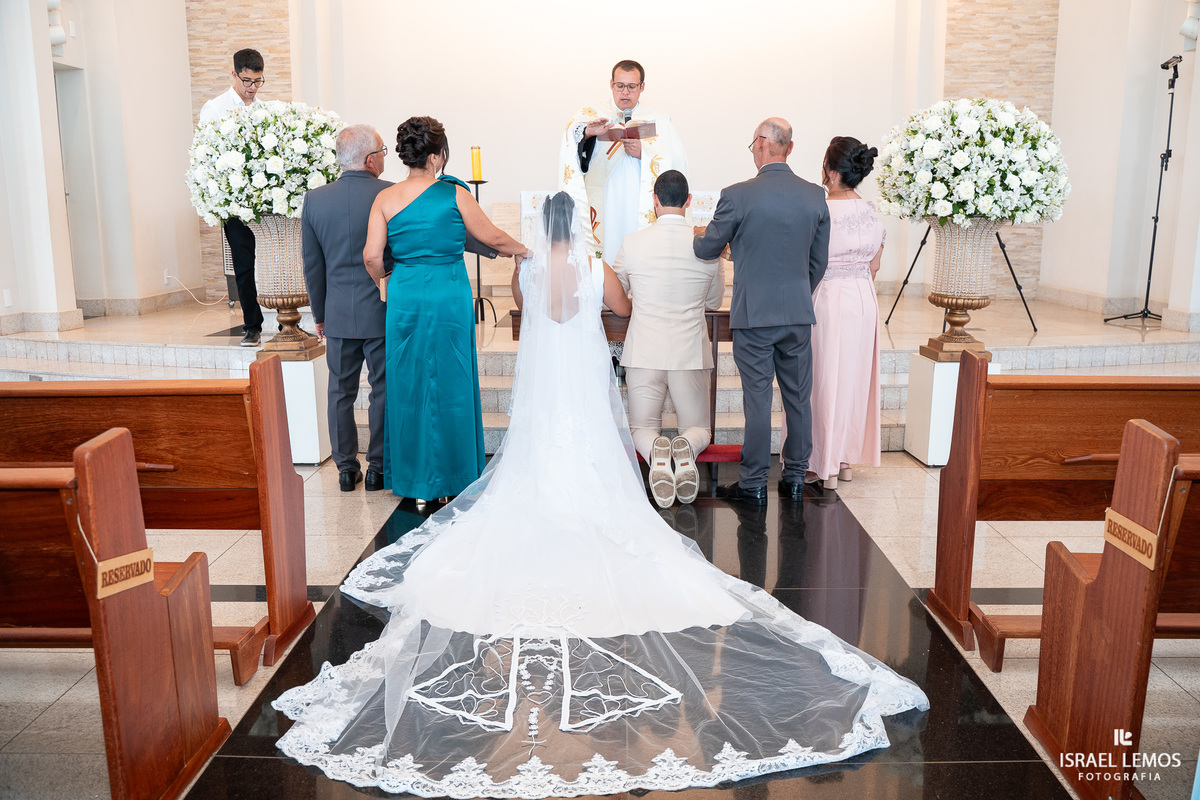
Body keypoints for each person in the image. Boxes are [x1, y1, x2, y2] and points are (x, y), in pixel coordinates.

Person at [272, 190, 928, 798]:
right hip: (582, 398)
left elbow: (527, 316)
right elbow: (620, 309)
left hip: (543, 400)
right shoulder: (591, 267)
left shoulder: (524, 271)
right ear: (579, 226)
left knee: (530, 466)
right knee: (596, 467)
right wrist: (599, 273)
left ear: (539, 226)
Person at [363, 116, 526, 503]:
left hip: (405, 294)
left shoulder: (385, 198)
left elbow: (371, 256)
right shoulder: (454, 195)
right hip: (448, 293)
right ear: (436, 156)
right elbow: (492, 237)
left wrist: (383, 284)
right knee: (452, 379)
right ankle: (452, 481)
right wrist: (525, 250)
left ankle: (415, 485)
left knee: (407, 383)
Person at [694, 118, 829, 505]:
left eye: (752, 144)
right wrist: (797, 293)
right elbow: (817, 263)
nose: (752, 149)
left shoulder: (737, 195)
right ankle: (796, 476)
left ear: (762, 145)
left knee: (758, 398)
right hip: (797, 314)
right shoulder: (813, 196)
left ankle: (753, 481)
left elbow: (707, 249)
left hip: (754, 315)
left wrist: (700, 235)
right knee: (797, 397)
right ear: (788, 147)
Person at [612, 170, 725, 509]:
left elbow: (615, 293)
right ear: (688, 201)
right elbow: (714, 302)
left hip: (643, 351)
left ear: (655, 201)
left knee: (641, 428)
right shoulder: (706, 247)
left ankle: (656, 449)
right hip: (689, 354)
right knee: (699, 429)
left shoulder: (633, 242)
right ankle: (685, 447)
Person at [784, 137, 884, 491]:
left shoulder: (821, 209)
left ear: (831, 171)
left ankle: (820, 464)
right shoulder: (871, 211)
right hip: (863, 300)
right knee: (852, 379)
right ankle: (843, 461)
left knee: (822, 379)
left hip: (827, 298)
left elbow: (806, 262)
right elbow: (874, 265)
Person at [301, 124, 391, 493]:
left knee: (340, 390)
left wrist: (320, 314)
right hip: (382, 309)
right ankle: (378, 468)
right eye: (383, 151)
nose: (385, 156)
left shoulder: (316, 199)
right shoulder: (391, 195)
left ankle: (344, 467)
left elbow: (313, 265)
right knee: (382, 388)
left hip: (337, 311)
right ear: (371, 159)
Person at [558, 60, 688, 264]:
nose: (625, 92)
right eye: (620, 86)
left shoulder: (657, 119)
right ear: (611, 84)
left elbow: (674, 159)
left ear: (642, 87)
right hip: (605, 197)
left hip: (640, 198)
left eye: (632, 87)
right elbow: (571, 136)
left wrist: (643, 153)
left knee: (637, 247)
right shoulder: (592, 114)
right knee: (608, 244)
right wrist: (587, 132)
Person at [199, 48, 266, 347]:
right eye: (247, 80)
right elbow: (206, 155)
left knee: (271, 262)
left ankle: (285, 319)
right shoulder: (214, 109)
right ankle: (252, 325)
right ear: (234, 74)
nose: (252, 88)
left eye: (258, 81)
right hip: (234, 202)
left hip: (265, 202)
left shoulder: (264, 109)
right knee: (244, 263)